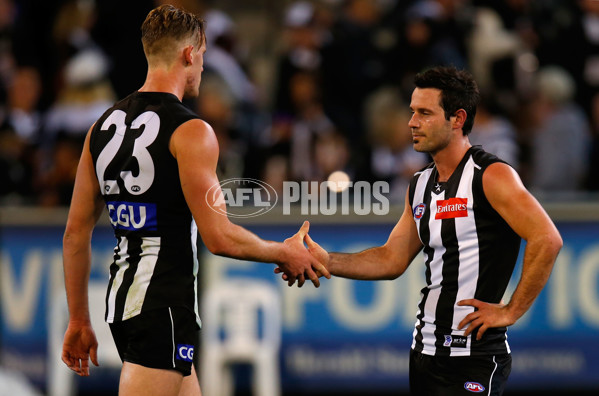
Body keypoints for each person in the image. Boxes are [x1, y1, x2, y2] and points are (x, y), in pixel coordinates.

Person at [60, 5, 329, 396]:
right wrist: (283, 253)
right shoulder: (191, 131)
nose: (202, 68)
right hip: (163, 304)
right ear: (190, 54)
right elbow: (219, 237)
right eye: (202, 57)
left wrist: (78, 319)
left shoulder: (100, 128)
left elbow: (74, 234)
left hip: (124, 306)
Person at [284, 66, 562, 395]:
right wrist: (326, 259)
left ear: (457, 119)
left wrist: (511, 310)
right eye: (412, 111)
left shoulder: (490, 175)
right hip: (424, 352)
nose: (411, 122)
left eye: (424, 113)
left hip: (473, 354)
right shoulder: (420, 184)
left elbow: (547, 238)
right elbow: (391, 259)